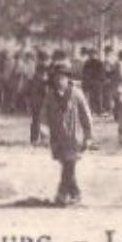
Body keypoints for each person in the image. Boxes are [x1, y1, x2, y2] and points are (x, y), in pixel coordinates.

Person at [30, 66, 93, 206]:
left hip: (74, 137)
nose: (59, 81)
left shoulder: (77, 94)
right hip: (58, 138)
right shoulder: (50, 96)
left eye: (62, 78)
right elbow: (44, 117)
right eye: (57, 78)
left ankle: (62, 194)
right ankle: (75, 193)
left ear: (68, 79)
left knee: (69, 165)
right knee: (67, 165)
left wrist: (88, 136)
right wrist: (44, 135)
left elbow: (86, 115)